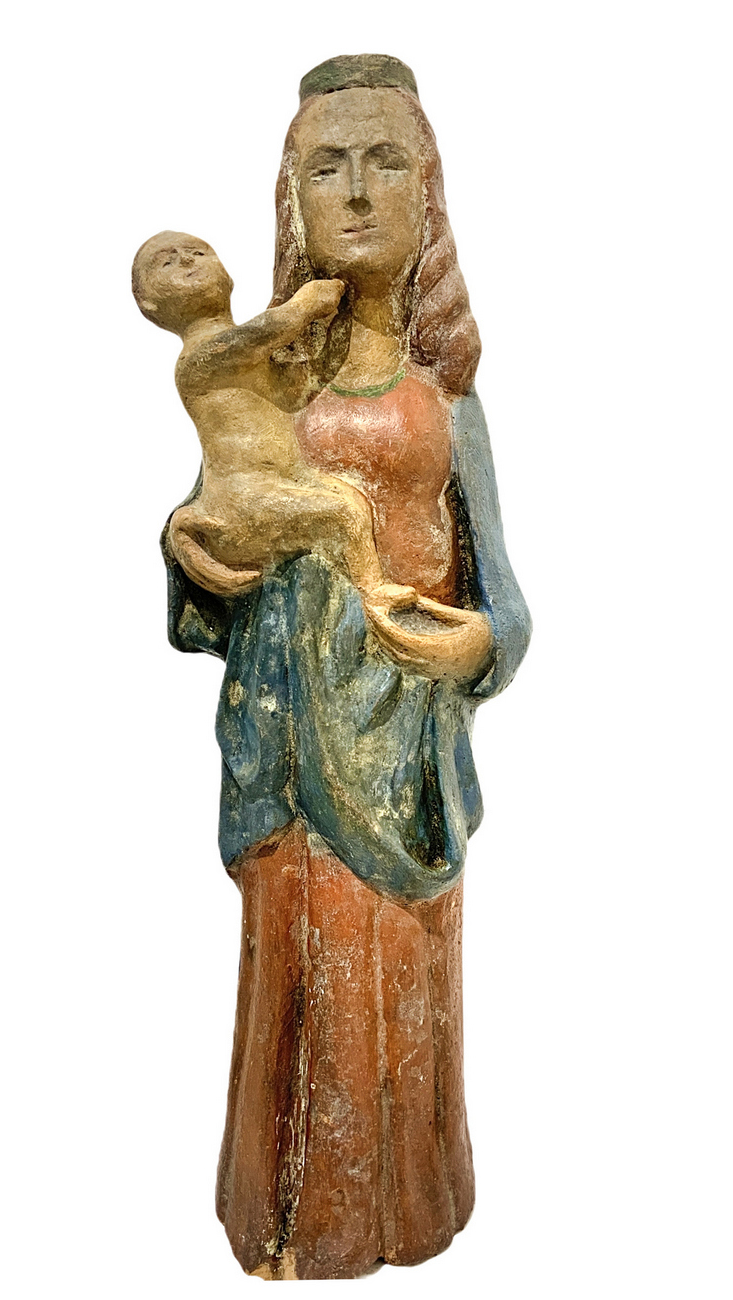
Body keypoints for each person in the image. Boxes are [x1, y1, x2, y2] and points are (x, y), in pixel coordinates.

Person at [161, 55, 531, 1280]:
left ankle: (411, 1197)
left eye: (386, 163)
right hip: (288, 741)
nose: (358, 191)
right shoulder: (265, 380)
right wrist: (191, 551)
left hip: (406, 748)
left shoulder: (447, 399)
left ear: (430, 196)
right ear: (292, 202)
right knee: (298, 960)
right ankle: (288, 1209)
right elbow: (220, 511)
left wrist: (479, 644)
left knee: (404, 968)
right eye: (328, 167)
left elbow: (505, 599)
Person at [132, 232, 423, 621]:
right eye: (167, 262)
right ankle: (375, 595)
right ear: (151, 305)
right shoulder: (199, 358)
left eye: (199, 252)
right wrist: (306, 303)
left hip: (277, 487)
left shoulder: (253, 360)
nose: (187, 260)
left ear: (227, 277)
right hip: (245, 502)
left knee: (348, 500)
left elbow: (299, 387)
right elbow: (270, 328)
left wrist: (341, 327)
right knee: (344, 513)